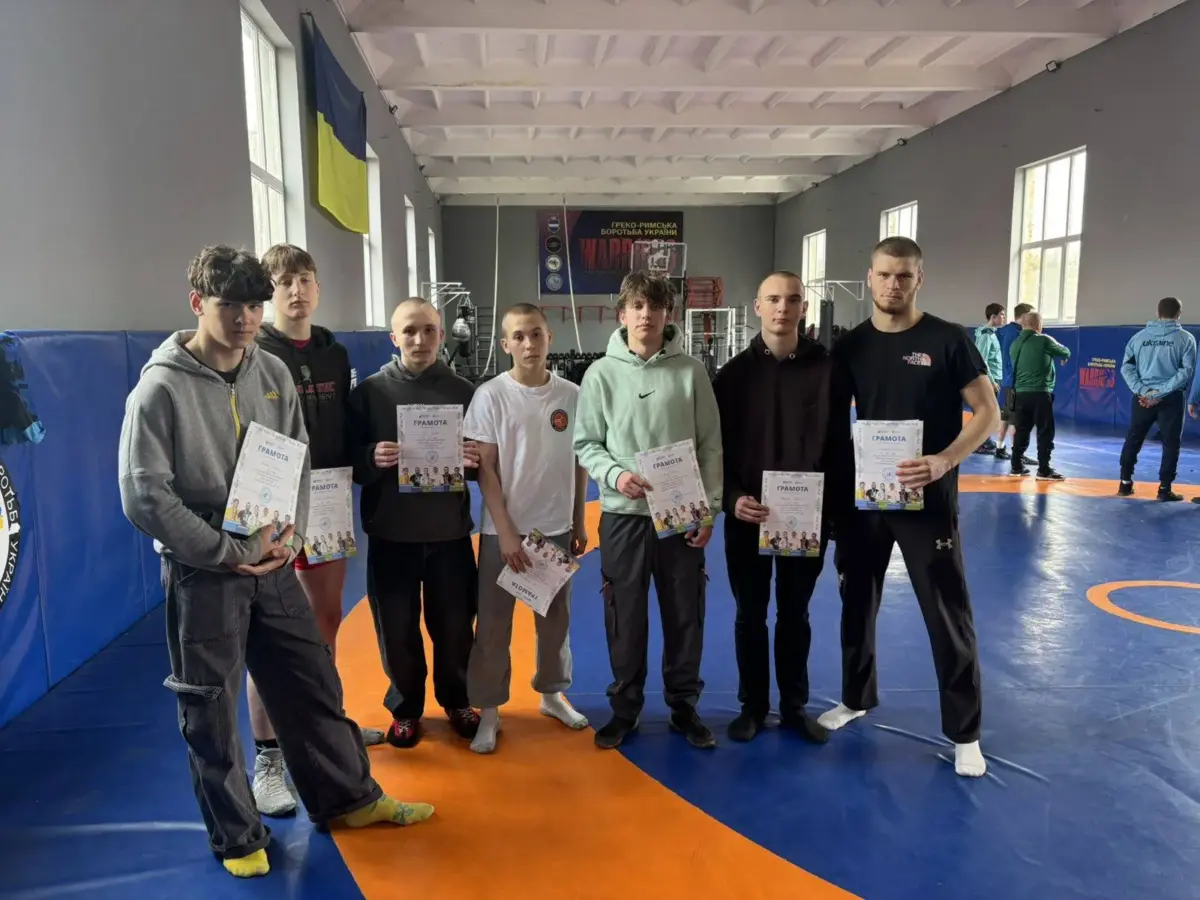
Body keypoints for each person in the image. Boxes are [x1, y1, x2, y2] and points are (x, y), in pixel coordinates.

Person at [117, 246, 432, 879]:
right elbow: (144, 495)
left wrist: (293, 532)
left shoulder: (272, 372)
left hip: (276, 559)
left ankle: (348, 799)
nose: (244, 319)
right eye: (230, 305)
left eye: (254, 306)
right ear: (197, 303)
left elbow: (296, 456)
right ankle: (237, 836)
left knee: (311, 681)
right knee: (210, 707)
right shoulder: (160, 388)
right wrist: (226, 551)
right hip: (205, 572)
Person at [819, 236, 999, 778]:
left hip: (928, 500)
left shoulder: (948, 339)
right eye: (884, 274)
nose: (893, 284)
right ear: (869, 279)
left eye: (903, 275)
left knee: (947, 612)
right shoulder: (851, 346)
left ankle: (965, 732)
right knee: (856, 602)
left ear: (919, 279)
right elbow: (829, 423)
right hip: (865, 501)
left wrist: (945, 460)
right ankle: (856, 697)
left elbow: (988, 412)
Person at [246, 243, 384, 819]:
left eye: (304, 279)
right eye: (284, 282)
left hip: (325, 496)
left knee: (325, 621)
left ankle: (329, 727)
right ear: (269, 292)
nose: (296, 290)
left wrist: (368, 458)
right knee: (272, 634)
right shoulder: (253, 349)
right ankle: (269, 756)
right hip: (271, 503)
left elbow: (342, 429)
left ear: (318, 288)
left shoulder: (334, 353)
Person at [573, 271, 723, 751]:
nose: (646, 315)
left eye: (655, 306)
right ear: (622, 314)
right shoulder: (600, 374)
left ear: (668, 314)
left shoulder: (691, 372)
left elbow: (710, 446)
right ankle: (625, 709)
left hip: (681, 515)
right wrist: (616, 476)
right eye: (637, 306)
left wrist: (709, 510)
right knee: (625, 616)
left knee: (685, 614)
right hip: (623, 517)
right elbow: (586, 443)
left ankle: (684, 706)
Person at [712, 271, 852, 743]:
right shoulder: (731, 376)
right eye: (773, 299)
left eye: (792, 299)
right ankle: (752, 706)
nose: (782, 308)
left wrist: (834, 516)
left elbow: (839, 446)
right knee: (749, 616)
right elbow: (716, 450)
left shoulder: (827, 370)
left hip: (806, 519)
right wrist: (732, 499)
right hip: (747, 517)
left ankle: (794, 706)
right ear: (757, 307)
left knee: (796, 615)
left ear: (804, 309)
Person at [347, 297, 482, 749]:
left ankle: (457, 700)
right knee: (396, 629)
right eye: (409, 331)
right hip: (392, 534)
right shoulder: (369, 394)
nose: (420, 339)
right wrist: (372, 456)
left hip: (449, 535)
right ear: (394, 337)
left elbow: (484, 464)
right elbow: (350, 464)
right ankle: (405, 708)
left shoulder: (466, 392)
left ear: (442, 335)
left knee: (456, 627)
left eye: (428, 330)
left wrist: (473, 460)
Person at [463, 303, 590, 754]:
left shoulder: (572, 395)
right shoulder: (490, 396)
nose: (529, 343)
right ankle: (489, 710)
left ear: (549, 337)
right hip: (503, 533)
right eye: (518, 336)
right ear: (505, 344)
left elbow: (579, 462)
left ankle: (552, 694)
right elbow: (485, 469)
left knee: (555, 622)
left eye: (536, 333)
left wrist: (578, 519)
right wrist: (506, 532)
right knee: (493, 627)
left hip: (554, 528)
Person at [1118, 297, 1196, 501]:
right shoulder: (1186, 339)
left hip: (1142, 398)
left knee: (1134, 438)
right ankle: (1164, 489)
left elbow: (1126, 368)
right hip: (1171, 398)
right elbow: (1186, 372)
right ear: (1179, 314)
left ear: (1157, 313)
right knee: (1170, 443)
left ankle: (1125, 484)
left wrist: (1144, 391)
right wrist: (1159, 393)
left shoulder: (1138, 338)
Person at [1008, 311, 1069, 481]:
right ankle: (1044, 470)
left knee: (1021, 430)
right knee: (1045, 431)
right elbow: (1065, 351)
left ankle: (1016, 466)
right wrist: (1063, 357)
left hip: (1020, 394)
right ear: (1039, 325)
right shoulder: (1044, 340)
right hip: (1040, 393)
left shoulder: (1015, 344)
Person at [994, 302, 1035, 464]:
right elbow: (1016, 358)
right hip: (1015, 381)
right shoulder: (1018, 334)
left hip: (1005, 380)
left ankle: (999, 448)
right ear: (1024, 316)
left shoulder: (1002, 331)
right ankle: (1019, 453)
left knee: (1005, 417)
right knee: (1016, 420)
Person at [972, 303, 1005, 454]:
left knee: (989, 411)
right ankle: (979, 443)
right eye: (1002, 315)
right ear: (993, 317)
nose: (1004, 318)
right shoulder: (986, 335)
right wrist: (991, 381)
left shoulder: (991, 333)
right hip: (990, 380)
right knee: (986, 412)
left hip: (995, 377)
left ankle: (985, 440)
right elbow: (982, 360)